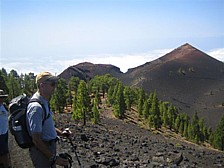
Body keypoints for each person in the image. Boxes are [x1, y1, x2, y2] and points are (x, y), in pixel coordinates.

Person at [26, 72, 72, 168]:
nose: (54, 87)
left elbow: (45, 125)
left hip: (47, 148)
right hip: (41, 151)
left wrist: (61, 133)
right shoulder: (36, 107)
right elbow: (36, 139)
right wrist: (53, 158)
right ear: (42, 86)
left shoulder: (44, 102)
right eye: (52, 84)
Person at [0, 89, 11, 168]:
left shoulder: (3, 106)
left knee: (5, 151)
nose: (2, 99)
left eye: (2, 97)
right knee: (3, 152)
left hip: (4, 131)